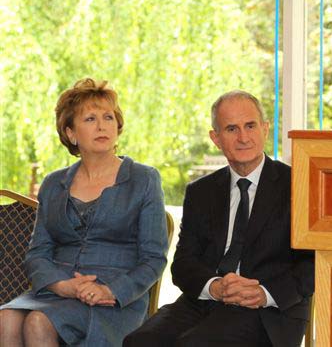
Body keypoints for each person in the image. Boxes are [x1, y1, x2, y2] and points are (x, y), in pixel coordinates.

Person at [125, 90, 314, 347]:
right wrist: (215, 286)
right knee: (140, 341)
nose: (243, 137)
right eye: (231, 129)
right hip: (207, 301)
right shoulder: (201, 192)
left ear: (265, 129)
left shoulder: (297, 186)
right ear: (216, 138)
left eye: (250, 126)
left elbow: (312, 264)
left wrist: (263, 293)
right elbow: (183, 264)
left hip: (269, 311)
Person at [0, 78, 169, 347]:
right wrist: (61, 286)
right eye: (90, 119)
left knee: (38, 322)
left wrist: (110, 290)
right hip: (58, 292)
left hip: (113, 299)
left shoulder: (144, 179)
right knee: (6, 317)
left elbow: (153, 258)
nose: (102, 125)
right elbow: (38, 252)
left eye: (108, 117)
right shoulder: (53, 184)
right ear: (71, 134)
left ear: (118, 126)